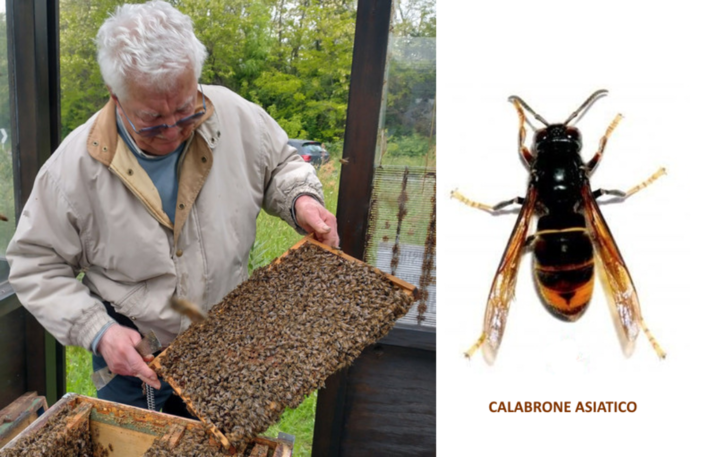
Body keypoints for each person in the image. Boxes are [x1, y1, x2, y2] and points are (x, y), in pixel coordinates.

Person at [6, 0, 338, 415]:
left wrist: (300, 199)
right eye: (152, 121)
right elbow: (34, 264)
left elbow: (282, 165)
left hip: (227, 339)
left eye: (185, 110)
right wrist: (100, 332)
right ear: (115, 97)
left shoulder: (234, 114)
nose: (174, 131)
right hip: (137, 352)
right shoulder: (71, 171)